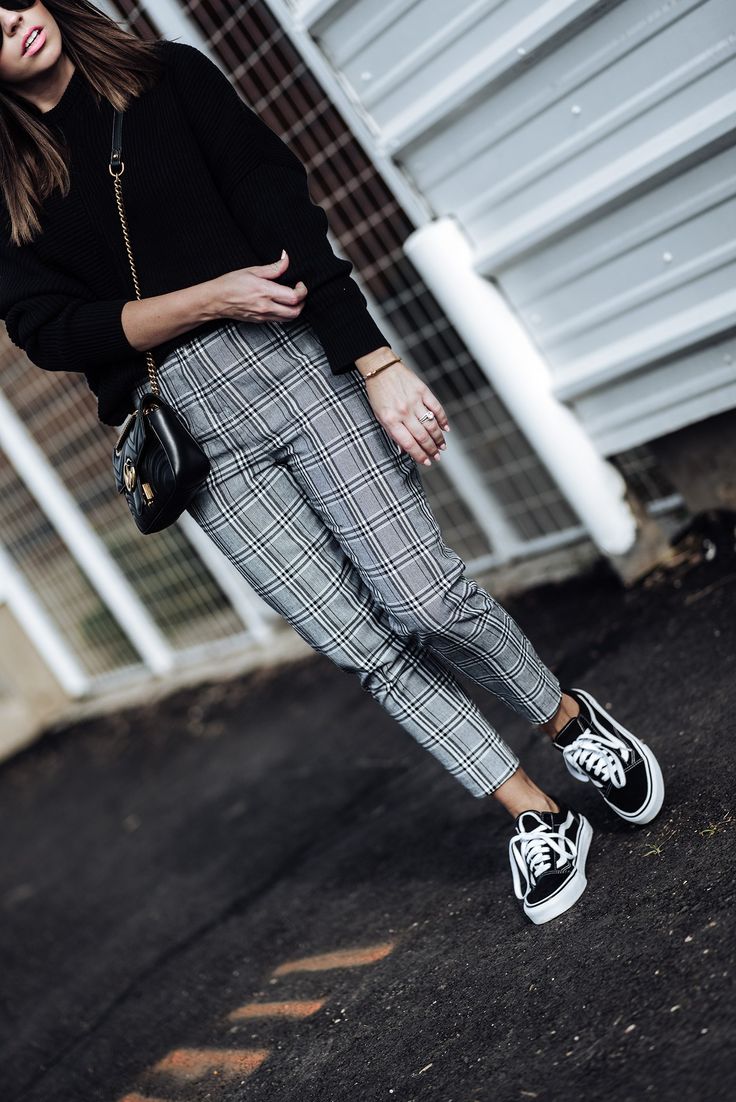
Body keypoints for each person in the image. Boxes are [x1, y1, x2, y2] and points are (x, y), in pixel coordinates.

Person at [0, 2, 664, 925]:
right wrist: (204, 298)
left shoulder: (169, 78)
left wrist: (376, 360)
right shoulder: (7, 186)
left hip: (294, 361)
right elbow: (50, 330)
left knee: (421, 596)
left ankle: (568, 722)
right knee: (359, 643)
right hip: (191, 435)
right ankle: (534, 812)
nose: (10, 20)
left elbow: (284, 213)